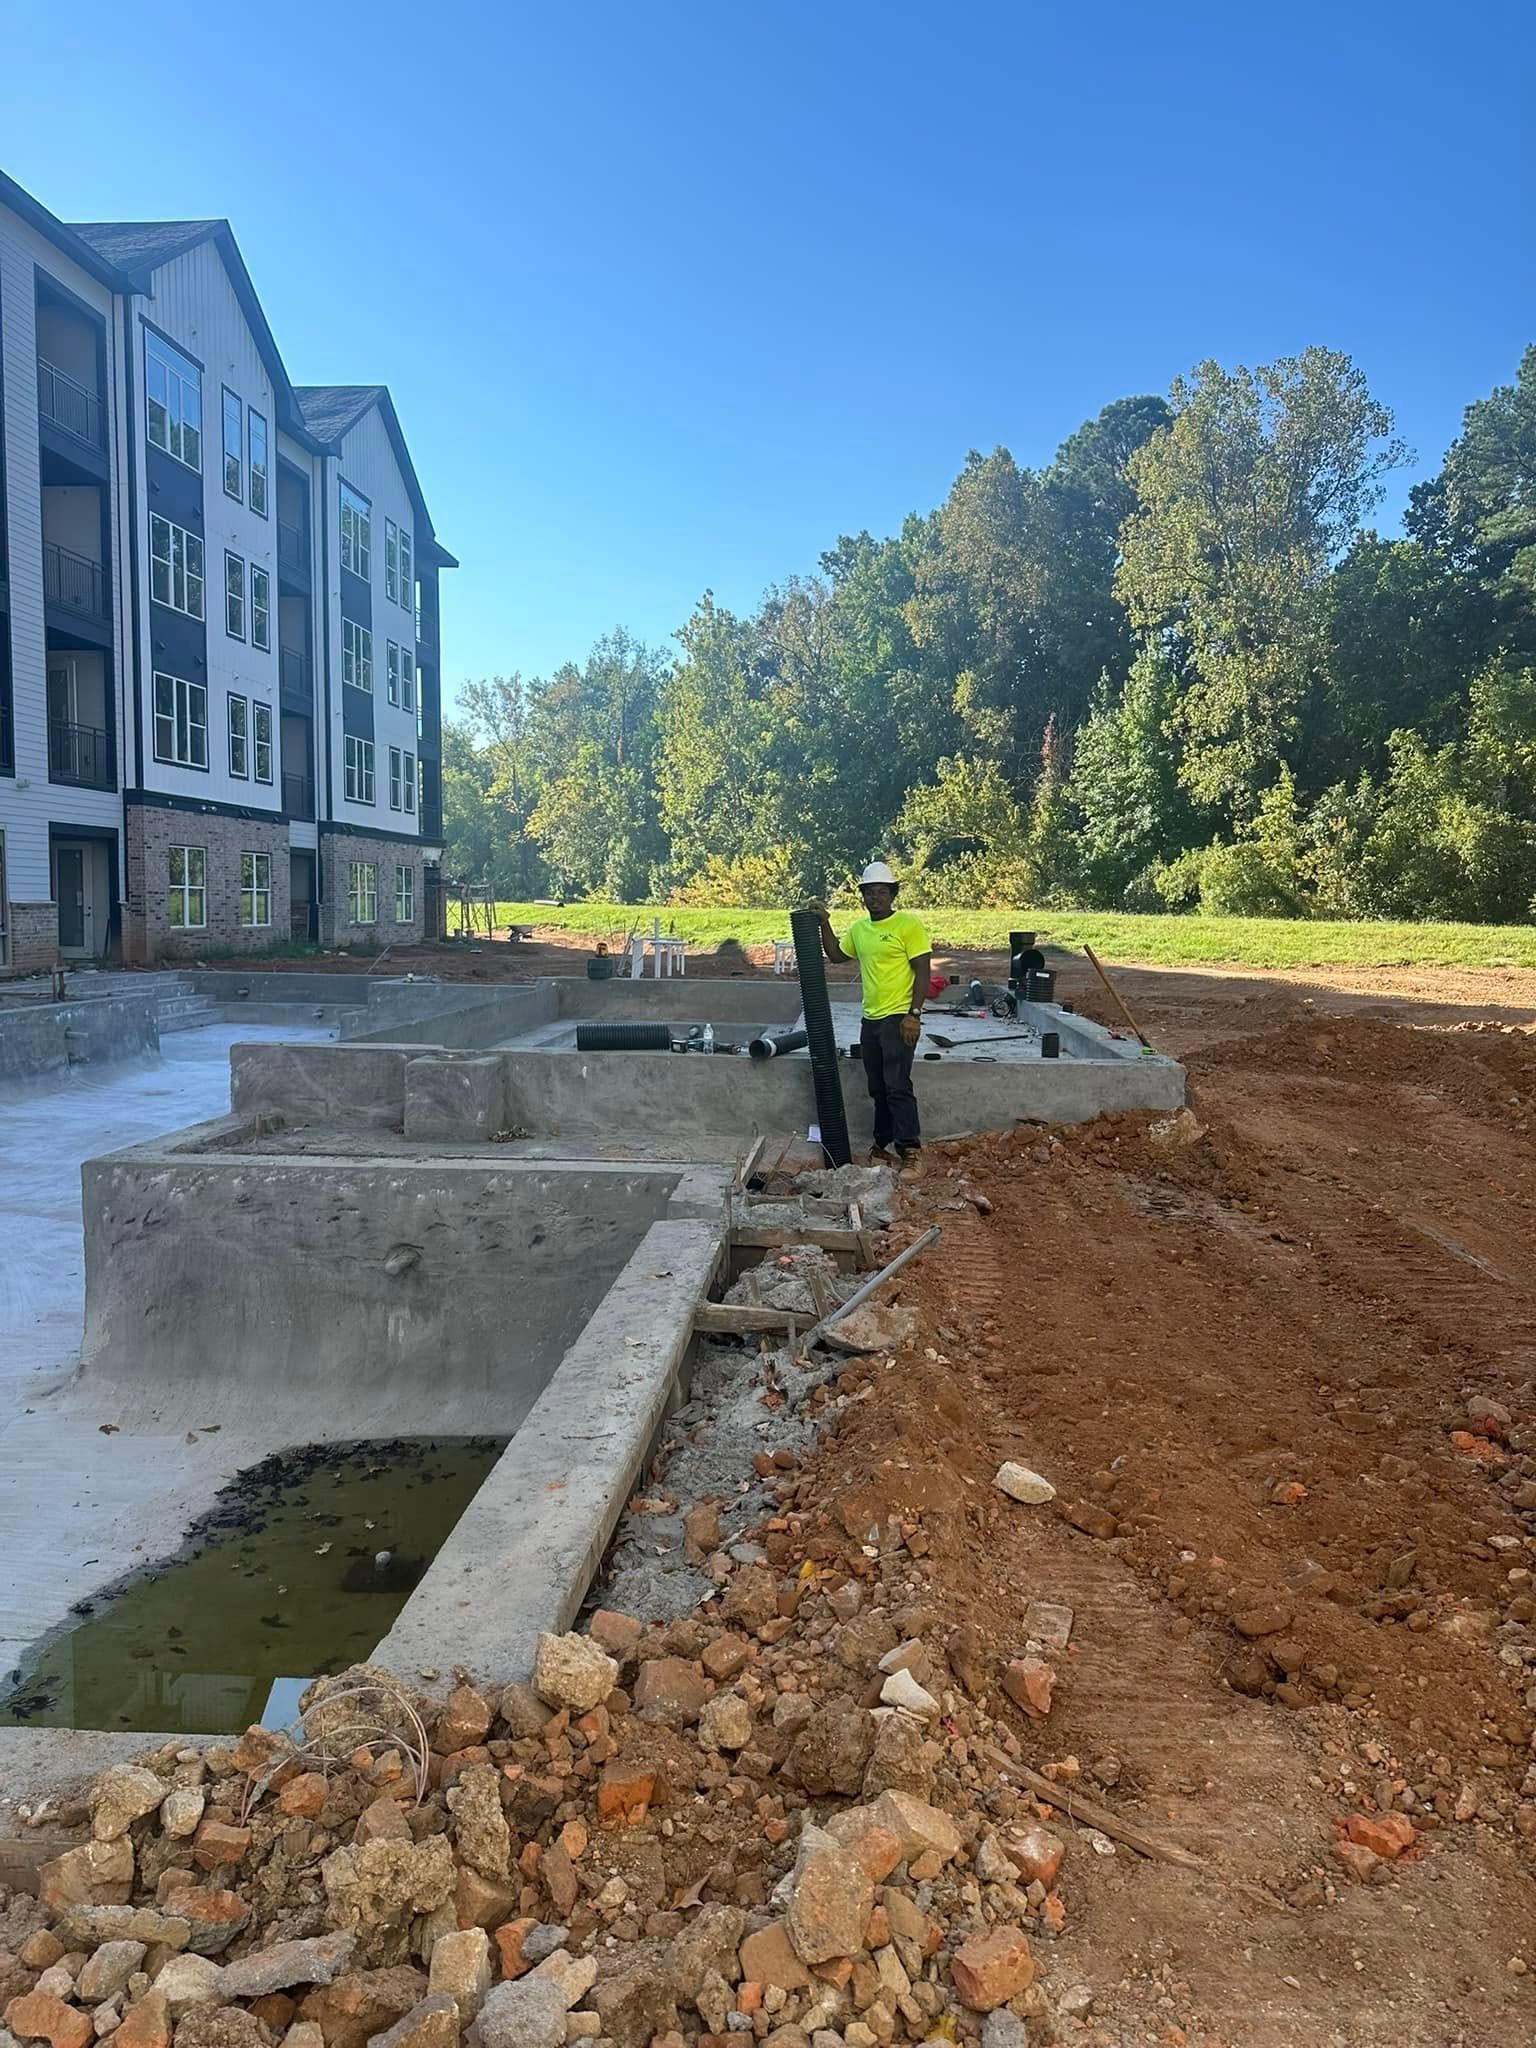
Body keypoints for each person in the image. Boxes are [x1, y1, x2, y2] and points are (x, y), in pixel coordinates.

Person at [809, 863, 931, 1163]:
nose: (875, 897)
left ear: (892, 894)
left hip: (899, 1018)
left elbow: (923, 970)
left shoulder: (907, 926)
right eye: (869, 892)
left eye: (881, 892)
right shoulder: (860, 930)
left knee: (898, 1085)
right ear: (862, 895)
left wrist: (914, 1014)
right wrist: (825, 923)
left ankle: (911, 1151)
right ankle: (882, 1145)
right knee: (878, 1087)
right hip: (871, 1020)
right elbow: (837, 955)